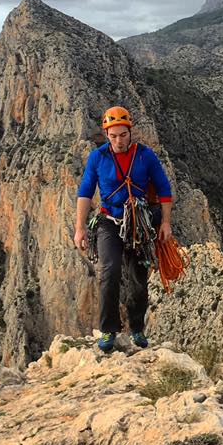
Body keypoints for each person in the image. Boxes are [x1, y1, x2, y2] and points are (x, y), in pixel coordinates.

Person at [73, 106, 173, 352]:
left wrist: (166, 222)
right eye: (113, 135)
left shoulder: (145, 156)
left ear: (130, 132)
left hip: (139, 222)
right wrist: (80, 228)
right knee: (110, 271)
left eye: (123, 135)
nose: (118, 140)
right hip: (109, 221)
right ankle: (109, 330)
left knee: (138, 279)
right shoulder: (98, 157)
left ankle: (137, 328)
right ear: (106, 135)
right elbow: (85, 192)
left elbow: (164, 190)